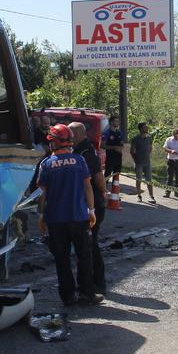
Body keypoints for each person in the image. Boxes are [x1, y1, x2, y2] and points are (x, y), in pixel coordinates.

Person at [36, 124, 98, 307]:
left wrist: (41, 216)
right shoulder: (79, 160)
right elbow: (88, 187)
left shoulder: (46, 164)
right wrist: (91, 210)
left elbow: (42, 194)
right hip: (78, 217)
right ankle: (87, 294)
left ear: (53, 142)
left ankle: (68, 296)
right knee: (84, 257)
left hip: (55, 220)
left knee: (61, 259)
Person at [70, 121, 107, 298]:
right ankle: (88, 282)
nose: (69, 138)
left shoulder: (86, 152)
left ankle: (97, 282)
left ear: (78, 134)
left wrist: (103, 194)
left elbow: (98, 178)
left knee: (90, 245)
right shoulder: (79, 150)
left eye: (71, 134)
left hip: (92, 204)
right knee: (86, 245)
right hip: (84, 203)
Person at [131, 122, 156, 202]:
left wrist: (147, 156)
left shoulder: (149, 138)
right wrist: (136, 160)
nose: (147, 128)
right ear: (141, 129)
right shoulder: (135, 139)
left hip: (147, 163)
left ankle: (151, 196)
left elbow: (150, 148)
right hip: (138, 163)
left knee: (149, 180)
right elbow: (132, 151)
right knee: (139, 180)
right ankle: (139, 196)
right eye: (145, 127)